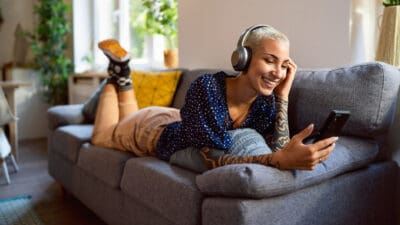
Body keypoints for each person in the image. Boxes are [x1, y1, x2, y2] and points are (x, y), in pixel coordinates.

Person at [91, 25, 337, 171]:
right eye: (269, 60)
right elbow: (209, 157)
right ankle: (120, 74)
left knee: (126, 116)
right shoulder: (208, 87)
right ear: (243, 58)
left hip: (176, 119)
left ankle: (122, 74)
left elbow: (279, 148)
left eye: (284, 65)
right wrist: (276, 161)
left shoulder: (265, 102)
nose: (277, 73)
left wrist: (282, 97)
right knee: (102, 138)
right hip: (150, 130)